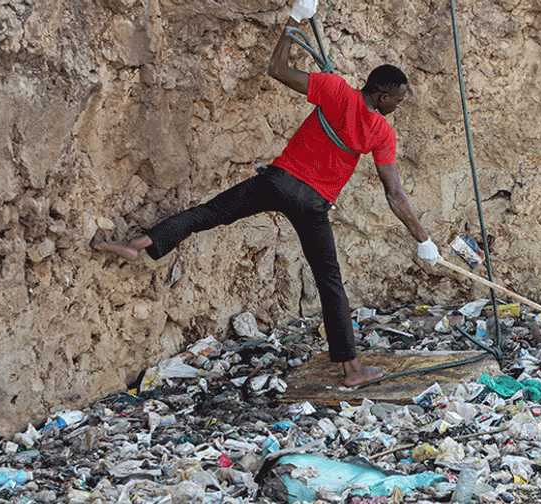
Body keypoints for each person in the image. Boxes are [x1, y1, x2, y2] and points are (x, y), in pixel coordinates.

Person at [92, 0, 441, 386]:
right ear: (382, 94)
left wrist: (294, 17)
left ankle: (141, 243)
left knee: (209, 213)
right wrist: (423, 239)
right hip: (312, 204)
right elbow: (394, 194)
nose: (399, 106)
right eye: (399, 99)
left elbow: (277, 69)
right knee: (330, 283)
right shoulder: (381, 132)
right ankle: (352, 370)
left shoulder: (334, 89)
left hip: (277, 182)